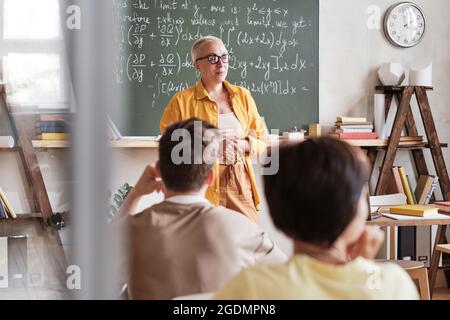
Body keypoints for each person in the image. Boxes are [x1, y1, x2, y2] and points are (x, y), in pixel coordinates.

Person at [215, 137, 419, 299]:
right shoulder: (393, 285)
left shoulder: (249, 287)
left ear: (278, 212)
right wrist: (362, 270)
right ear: (356, 208)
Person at [118, 118, 286, 300]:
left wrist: (135, 195)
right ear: (210, 177)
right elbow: (290, 280)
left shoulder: (130, 231)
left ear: (158, 170)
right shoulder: (243, 229)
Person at [160, 36, 266, 223]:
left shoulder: (243, 96)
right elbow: (170, 146)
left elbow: (261, 138)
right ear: (197, 65)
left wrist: (243, 145)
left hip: (239, 180)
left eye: (224, 57)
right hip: (201, 183)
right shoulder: (181, 101)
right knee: (206, 244)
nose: (221, 63)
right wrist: (213, 146)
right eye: (212, 58)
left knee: (247, 241)